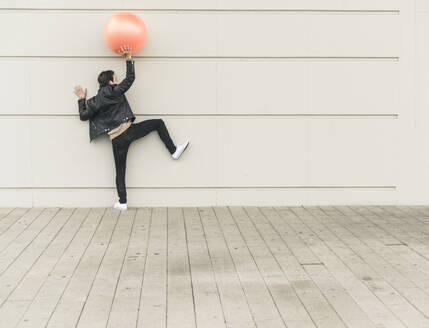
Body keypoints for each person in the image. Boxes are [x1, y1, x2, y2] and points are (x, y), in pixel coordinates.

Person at [73, 45, 189, 211]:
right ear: (111, 81)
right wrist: (128, 59)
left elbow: (83, 116)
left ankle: (122, 202)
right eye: (115, 79)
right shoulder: (113, 91)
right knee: (158, 123)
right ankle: (173, 151)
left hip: (116, 140)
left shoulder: (95, 100)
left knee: (120, 171)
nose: (117, 81)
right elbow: (129, 80)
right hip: (128, 131)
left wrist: (82, 99)